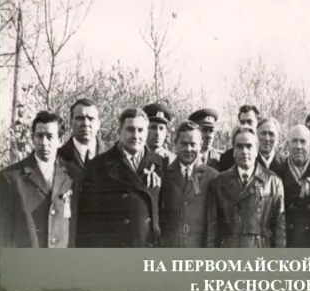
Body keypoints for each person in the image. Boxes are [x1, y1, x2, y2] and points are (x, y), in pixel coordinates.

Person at [76, 108, 165, 247]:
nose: (136, 135)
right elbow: (88, 221)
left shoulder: (160, 164)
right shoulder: (99, 166)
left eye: (140, 130)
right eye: (130, 129)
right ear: (119, 132)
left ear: (146, 132)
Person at [0, 111, 83, 248]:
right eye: (39, 136)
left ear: (60, 141)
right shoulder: (10, 178)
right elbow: (3, 233)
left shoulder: (73, 176)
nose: (44, 143)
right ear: (33, 138)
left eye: (50, 137)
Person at [206, 127, 286, 248]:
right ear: (233, 151)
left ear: (256, 149)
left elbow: (280, 231)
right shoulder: (219, 182)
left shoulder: (273, 182)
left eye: (249, 146)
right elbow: (212, 228)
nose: (244, 151)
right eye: (239, 146)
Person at [159, 121, 219, 247]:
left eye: (193, 144)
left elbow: (214, 223)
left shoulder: (213, 177)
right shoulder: (163, 175)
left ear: (201, 145)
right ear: (175, 143)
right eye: (184, 144)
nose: (188, 149)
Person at [57, 98, 108, 170]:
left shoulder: (115, 155)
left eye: (91, 119)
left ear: (98, 124)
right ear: (70, 123)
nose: (85, 123)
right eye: (80, 118)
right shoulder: (57, 158)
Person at [217, 104, 261, 171]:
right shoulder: (227, 157)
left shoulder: (264, 154)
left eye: (249, 122)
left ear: (258, 123)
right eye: (242, 122)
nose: (246, 125)